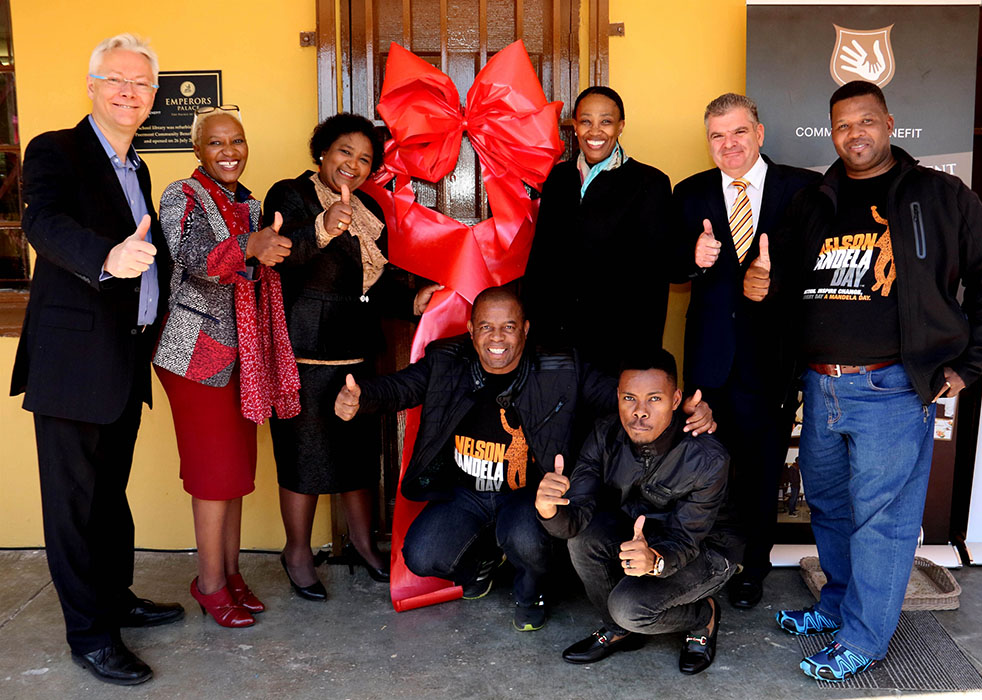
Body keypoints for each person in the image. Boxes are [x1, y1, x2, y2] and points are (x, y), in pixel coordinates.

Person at [743, 80, 982, 682]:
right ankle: (839, 606)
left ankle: (864, 638)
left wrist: (970, 363)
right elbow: (783, 280)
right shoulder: (816, 200)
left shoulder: (939, 195)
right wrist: (762, 283)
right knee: (831, 508)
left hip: (891, 388)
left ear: (889, 123)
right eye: (842, 125)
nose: (854, 134)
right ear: (832, 133)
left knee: (882, 521)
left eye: (865, 121)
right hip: (821, 387)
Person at [334, 288, 716, 631]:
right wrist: (360, 397)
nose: (497, 338)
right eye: (486, 327)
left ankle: (531, 592)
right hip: (466, 494)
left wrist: (683, 408)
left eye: (509, 327)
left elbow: (622, 397)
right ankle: (483, 563)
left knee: (527, 538)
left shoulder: (562, 368)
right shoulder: (446, 360)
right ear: (471, 330)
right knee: (421, 555)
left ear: (526, 330)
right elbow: (400, 388)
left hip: (527, 494)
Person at [10, 33, 180, 686]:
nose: (128, 92)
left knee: (108, 498)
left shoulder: (137, 168)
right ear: (92, 85)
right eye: (116, 79)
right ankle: (91, 636)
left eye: (141, 83)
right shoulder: (55, 149)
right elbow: (43, 223)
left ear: (152, 97)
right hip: (73, 364)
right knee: (74, 507)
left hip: (123, 359)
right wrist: (106, 257)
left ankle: (114, 598)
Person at [264, 113, 440, 598]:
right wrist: (321, 228)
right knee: (303, 457)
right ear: (322, 150)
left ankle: (363, 544)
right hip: (305, 353)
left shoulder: (368, 209)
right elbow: (280, 256)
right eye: (345, 151)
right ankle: (297, 553)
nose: (353, 164)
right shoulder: (289, 194)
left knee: (357, 456)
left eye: (364, 159)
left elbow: (374, 283)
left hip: (357, 352)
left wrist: (412, 302)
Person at [153, 106, 300, 628]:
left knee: (234, 474)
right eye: (216, 142)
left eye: (236, 140)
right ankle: (210, 583)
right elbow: (190, 257)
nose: (229, 151)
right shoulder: (182, 195)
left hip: (244, 354)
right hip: (196, 356)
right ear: (198, 150)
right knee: (213, 475)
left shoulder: (251, 202)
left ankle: (231, 574)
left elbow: (261, 269)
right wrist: (250, 246)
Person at [673, 93, 819, 610]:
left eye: (738, 132)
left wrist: (773, 283)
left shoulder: (801, 189)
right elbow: (667, 264)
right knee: (707, 472)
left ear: (759, 133)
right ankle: (705, 565)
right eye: (717, 135)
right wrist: (691, 258)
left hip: (772, 362)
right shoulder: (690, 192)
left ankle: (752, 569)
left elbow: (820, 269)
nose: (728, 144)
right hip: (709, 364)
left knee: (760, 474)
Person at [537, 349, 734, 675]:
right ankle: (621, 631)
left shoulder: (706, 457)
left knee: (629, 607)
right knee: (582, 539)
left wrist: (654, 560)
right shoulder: (604, 434)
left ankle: (703, 616)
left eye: (654, 399)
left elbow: (687, 539)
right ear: (617, 396)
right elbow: (577, 517)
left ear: (676, 400)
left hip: (705, 551)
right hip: (639, 536)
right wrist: (549, 511)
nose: (640, 411)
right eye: (630, 398)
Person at [523, 86, 672, 376]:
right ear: (575, 126)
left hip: (619, 342)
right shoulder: (559, 178)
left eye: (606, 121)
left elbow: (654, 275)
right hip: (558, 339)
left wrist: (643, 353)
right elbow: (541, 259)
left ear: (620, 126)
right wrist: (534, 329)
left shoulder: (649, 182)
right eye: (586, 121)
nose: (595, 131)